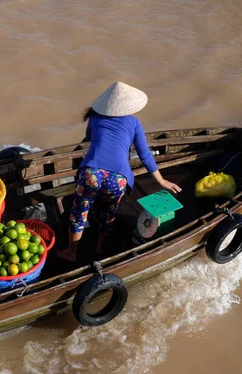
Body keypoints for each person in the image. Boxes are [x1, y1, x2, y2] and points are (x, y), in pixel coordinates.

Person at [56, 81, 182, 262]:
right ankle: (101, 248)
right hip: (118, 178)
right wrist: (162, 181)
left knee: (79, 212)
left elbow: (89, 139)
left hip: (91, 173)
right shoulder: (134, 122)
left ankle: (71, 252)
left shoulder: (95, 118)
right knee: (109, 212)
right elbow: (145, 155)